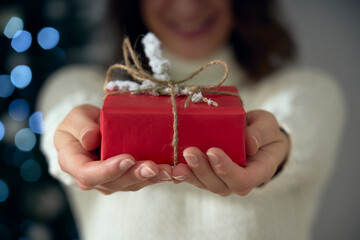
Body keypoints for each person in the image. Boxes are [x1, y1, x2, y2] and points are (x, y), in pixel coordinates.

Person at [38, 0, 345, 239]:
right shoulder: (86, 89)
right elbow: (63, 117)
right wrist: (76, 144)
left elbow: (300, 125)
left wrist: (280, 146)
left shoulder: (306, 91)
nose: (187, 7)